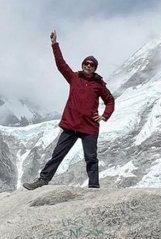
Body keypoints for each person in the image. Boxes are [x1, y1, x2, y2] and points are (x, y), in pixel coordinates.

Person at [23, 30, 115, 190]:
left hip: (89, 127)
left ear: (95, 68)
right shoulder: (74, 78)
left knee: (91, 158)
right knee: (57, 155)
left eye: (91, 65)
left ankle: (94, 186)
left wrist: (104, 116)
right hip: (71, 125)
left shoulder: (99, 85)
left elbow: (110, 101)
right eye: (86, 63)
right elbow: (61, 63)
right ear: (82, 65)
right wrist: (54, 44)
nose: (88, 66)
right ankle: (43, 180)